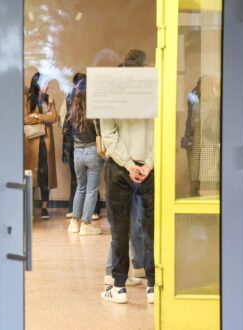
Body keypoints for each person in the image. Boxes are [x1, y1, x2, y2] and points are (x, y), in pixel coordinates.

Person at [100, 49, 155, 304]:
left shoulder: (110, 94)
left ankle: (119, 286)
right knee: (151, 228)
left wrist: (128, 164)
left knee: (120, 228)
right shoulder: (153, 93)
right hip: (150, 170)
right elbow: (161, 132)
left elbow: (109, 136)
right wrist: (148, 165)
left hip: (121, 170)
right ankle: (153, 285)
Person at [62, 73, 103, 221]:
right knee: (91, 190)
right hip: (92, 150)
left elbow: (65, 130)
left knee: (80, 188)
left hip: (77, 151)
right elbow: (99, 130)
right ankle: (86, 224)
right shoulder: (93, 110)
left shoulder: (72, 111)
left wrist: (75, 136)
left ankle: (74, 223)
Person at [24, 72, 58, 219]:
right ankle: (29, 207)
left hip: (46, 142)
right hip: (31, 143)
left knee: (46, 175)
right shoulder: (26, 99)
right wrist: (44, 118)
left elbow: (54, 117)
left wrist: (37, 116)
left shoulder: (49, 99)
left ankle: (44, 208)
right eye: (45, 83)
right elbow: (24, 119)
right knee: (30, 173)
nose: (48, 86)